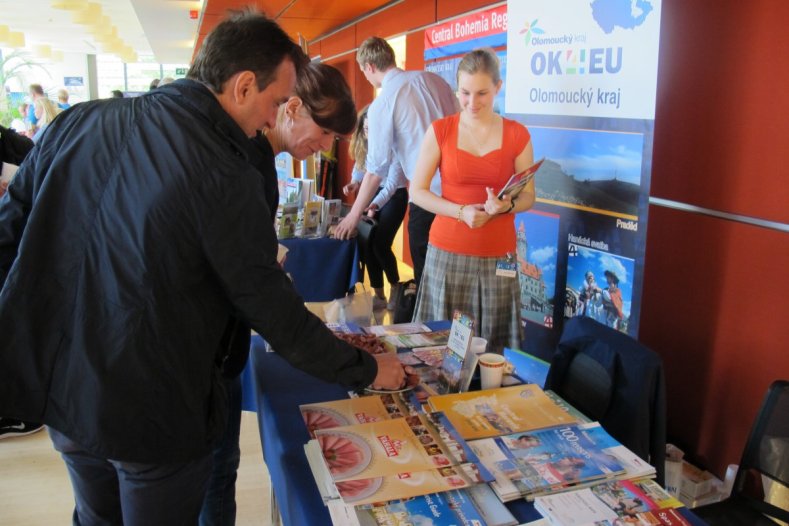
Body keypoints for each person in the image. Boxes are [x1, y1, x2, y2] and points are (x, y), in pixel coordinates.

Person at [0, 11, 406, 525]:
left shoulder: (76, 121)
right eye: (276, 102)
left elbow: (8, 237)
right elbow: (272, 311)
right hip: (153, 410)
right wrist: (368, 369)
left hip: (64, 393)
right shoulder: (223, 172)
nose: (271, 119)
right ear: (241, 86)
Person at [199, 61, 358, 526]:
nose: (326, 149)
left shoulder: (258, 159)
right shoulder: (238, 159)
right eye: (325, 133)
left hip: (221, 349)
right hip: (202, 354)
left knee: (219, 470)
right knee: (211, 473)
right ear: (289, 106)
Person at [410, 49, 535, 352]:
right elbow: (417, 191)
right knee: (439, 351)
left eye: (482, 93)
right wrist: (460, 211)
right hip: (447, 251)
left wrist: (507, 206)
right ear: (457, 89)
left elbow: (529, 196)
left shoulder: (518, 134)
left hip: (499, 255)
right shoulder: (441, 130)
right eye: (465, 93)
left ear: (498, 88)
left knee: (493, 352)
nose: (472, 102)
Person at [333, 36, 457, 287]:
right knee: (455, 276)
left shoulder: (383, 103)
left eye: (364, 72)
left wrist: (353, 216)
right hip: (458, 194)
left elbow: (375, 170)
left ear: (369, 67)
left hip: (428, 199)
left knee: (428, 280)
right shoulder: (436, 81)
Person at [343, 105, 408, 310]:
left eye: (373, 128)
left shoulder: (396, 147)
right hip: (373, 194)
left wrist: (373, 204)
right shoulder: (368, 144)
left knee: (380, 243)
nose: (369, 133)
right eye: (366, 129)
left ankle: (396, 288)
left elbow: (389, 186)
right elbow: (362, 166)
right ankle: (379, 296)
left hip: (394, 196)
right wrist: (354, 182)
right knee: (368, 243)